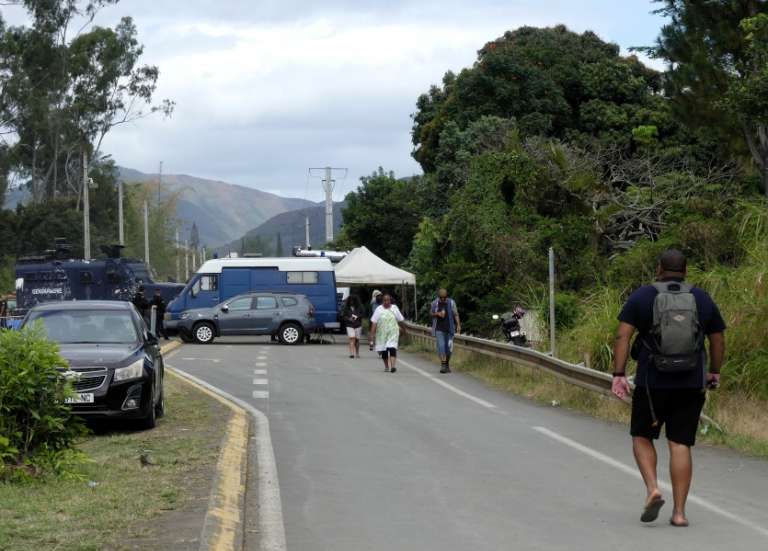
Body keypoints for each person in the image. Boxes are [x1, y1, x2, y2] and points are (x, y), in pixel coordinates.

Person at [612, 249, 725, 528]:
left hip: (652, 383)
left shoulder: (642, 296)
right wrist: (713, 372)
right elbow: (718, 340)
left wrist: (619, 374)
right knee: (680, 443)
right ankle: (679, 513)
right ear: (686, 270)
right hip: (689, 381)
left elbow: (623, 336)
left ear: (659, 268)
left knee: (642, 435)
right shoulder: (701, 298)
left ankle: (652, 488)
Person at [370, 294, 405, 373]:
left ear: (390, 300)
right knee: (384, 351)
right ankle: (386, 366)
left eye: (388, 300)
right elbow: (374, 322)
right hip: (382, 334)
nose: (386, 302)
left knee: (392, 348)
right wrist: (372, 335)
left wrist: (403, 329)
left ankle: (393, 366)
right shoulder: (379, 309)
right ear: (383, 301)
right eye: (385, 300)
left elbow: (400, 319)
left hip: (393, 332)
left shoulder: (394, 308)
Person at [430, 288, 461, 374]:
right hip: (439, 329)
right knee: (441, 346)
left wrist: (458, 325)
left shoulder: (451, 302)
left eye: (444, 297)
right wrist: (437, 314)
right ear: (438, 296)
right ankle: (443, 365)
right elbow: (431, 313)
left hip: (450, 328)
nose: (443, 299)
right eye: (441, 297)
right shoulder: (434, 303)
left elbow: (456, 314)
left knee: (449, 349)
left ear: (447, 296)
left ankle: (447, 364)